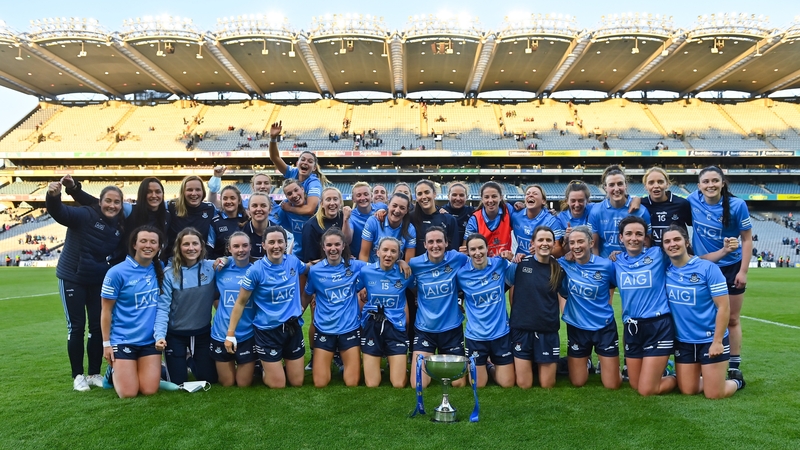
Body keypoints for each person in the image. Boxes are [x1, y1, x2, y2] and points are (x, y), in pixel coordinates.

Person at [46, 179, 125, 391]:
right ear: (100, 202)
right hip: (72, 277)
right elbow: (60, 213)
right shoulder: (86, 214)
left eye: (116, 202)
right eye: (108, 201)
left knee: (97, 327)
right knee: (77, 327)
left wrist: (75, 188)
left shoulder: (120, 225)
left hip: (97, 279)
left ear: (121, 204)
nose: (112, 205)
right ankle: (78, 375)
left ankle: (93, 373)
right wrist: (53, 196)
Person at [662, 225, 745, 398]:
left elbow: (724, 307)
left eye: (677, 239)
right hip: (684, 342)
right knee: (688, 390)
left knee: (714, 394)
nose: (672, 244)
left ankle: (736, 381)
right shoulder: (665, 269)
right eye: (667, 241)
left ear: (686, 242)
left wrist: (717, 341)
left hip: (709, 339)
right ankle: (703, 377)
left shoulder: (708, 268)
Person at [687, 166, 752, 378]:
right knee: (704, 317)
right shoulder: (692, 200)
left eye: (715, 180)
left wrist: (743, 271)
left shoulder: (737, 205)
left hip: (731, 267)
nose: (710, 185)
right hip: (704, 268)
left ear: (723, 183)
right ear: (699, 186)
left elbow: (747, 239)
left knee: (732, 318)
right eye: (706, 182)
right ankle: (702, 361)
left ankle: (734, 365)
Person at [226, 226, 310, 388]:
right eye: (271, 242)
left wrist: (327, 263)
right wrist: (230, 334)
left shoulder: (293, 262)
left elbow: (308, 268)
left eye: (280, 242)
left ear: (286, 244)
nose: (276, 246)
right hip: (267, 332)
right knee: (278, 385)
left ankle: (277, 366)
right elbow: (240, 302)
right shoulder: (255, 270)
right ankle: (266, 370)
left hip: (293, 328)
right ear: (264, 245)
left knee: (297, 382)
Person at [612, 216, 676, 396]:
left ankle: (680, 377)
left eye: (639, 234)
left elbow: (683, 257)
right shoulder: (615, 262)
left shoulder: (658, 254)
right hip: (632, 327)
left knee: (646, 390)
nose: (634, 238)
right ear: (621, 237)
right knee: (635, 385)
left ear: (645, 237)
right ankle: (664, 369)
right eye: (629, 234)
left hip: (658, 325)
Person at [100, 226, 167, 398]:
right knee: (128, 393)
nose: (148, 245)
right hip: (123, 340)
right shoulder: (116, 273)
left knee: (149, 390)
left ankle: (141, 372)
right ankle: (111, 373)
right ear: (134, 244)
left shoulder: (160, 268)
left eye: (153, 242)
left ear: (159, 247)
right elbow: (106, 310)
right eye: (143, 241)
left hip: (149, 341)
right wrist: (106, 344)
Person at [558, 226, 621, 389]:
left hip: (604, 327)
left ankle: (609, 365)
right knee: (577, 382)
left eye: (580, 241)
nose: (576, 246)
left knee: (612, 384)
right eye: (572, 243)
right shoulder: (563, 263)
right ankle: (583, 361)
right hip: (577, 327)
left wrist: (621, 255)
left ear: (591, 243)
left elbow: (620, 281)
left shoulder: (606, 266)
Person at [303, 228, 366, 387]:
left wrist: (399, 262)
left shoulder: (356, 266)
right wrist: (297, 315)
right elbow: (306, 295)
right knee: (320, 383)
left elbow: (381, 266)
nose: (333, 248)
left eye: (337, 244)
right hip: (325, 329)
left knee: (352, 382)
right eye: (329, 245)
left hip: (349, 328)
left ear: (343, 246)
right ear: (323, 247)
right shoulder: (315, 271)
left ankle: (343, 362)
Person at [155, 228, 218, 385]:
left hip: (202, 333)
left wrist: (226, 259)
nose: (191, 248)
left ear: (201, 246)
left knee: (210, 379)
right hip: (175, 335)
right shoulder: (169, 274)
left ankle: (189, 360)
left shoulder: (211, 267)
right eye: (186, 244)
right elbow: (162, 308)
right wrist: (160, 336)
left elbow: (232, 260)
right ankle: (160, 368)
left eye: (195, 244)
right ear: (179, 247)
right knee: (177, 382)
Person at [408, 226, 469, 388]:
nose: (435, 245)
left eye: (439, 241)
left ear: (446, 243)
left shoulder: (457, 258)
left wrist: (460, 300)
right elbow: (409, 283)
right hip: (425, 330)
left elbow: (475, 267)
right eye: (431, 242)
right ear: (425, 245)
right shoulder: (414, 264)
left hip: (451, 329)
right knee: (418, 384)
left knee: (458, 383)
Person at [456, 234, 516, 388]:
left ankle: (489, 366)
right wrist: (459, 303)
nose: (477, 253)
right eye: (473, 249)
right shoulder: (461, 274)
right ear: (468, 252)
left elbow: (515, 273)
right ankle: (486, 365)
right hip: (476, 336)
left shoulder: (499, 263)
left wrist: (513, 258)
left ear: (487, 248)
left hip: (501, 333)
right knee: (478, 384)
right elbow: (455, 293)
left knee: (507, 383)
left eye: (480, 248)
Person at [508, 226, 563, 389]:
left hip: (547, 331)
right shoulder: (520, 264)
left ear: (553, 244)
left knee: (547, 384)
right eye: (540, 240)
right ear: (532, 243)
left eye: (548, 240)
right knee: (524, 384)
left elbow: (565, 294)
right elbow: (502, 286)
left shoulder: (559, 269)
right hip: (522, 330)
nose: (544, 243)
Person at [356, 237, 414, 388]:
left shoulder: (404, 273)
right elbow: (352, 289)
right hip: (372, 325)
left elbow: (418, 290)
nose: (388, 254)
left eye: (393, 251)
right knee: (372, 384)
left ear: (398, 255)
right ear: (377, 252)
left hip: (395, 326)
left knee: (398, 384)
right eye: (385, 250)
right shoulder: (366, 271)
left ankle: (396, 364)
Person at [62, 175, 171, 256]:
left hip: (151, 268)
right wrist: (74, 189)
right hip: (124, 266)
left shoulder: (167, 214)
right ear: (142, 194)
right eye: (149, 192)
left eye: (158, 192)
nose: (154, 195)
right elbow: (95, 203)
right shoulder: (129, 210)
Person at [210, 232, 256, 387]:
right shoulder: (220, 269)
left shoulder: (257, 270)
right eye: (236, 246)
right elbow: (215, 295)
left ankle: (260, 367)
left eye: (244, 245)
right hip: (221, 332)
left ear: (250, 247)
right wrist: (225, 259)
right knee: (227, 383)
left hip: (247, 333)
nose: (241, 250)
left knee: (244, 383)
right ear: (229, 249)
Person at [589, 165, 651, 258]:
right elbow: (594, 247)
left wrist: (627, 259)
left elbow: (647, 244)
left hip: (632, 262)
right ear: (605, 187)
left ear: (626, 185)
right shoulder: (596, 211)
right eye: (611, 185)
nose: (616, 189)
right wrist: (599, 264)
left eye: (620, 184)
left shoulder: (641, 211)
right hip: (606, 263)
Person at [268, 121, 326, 216]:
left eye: (310, 161)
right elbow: (275, 158)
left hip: (310, 220)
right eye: (302, 160)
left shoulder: (314, 183)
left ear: (314, 168)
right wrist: (273, 138)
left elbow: (309, 209)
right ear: (297, 163)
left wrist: (289, 208)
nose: (305, 162)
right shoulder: (293, 172)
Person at [164, 175, 217, 261]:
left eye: (198, 190)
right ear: (183, 192)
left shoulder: (210, 209)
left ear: (203, 192)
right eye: (189, 190)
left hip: (200, 261)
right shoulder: (170, 206)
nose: (194, 193)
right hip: (173, 261)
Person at [640, 167, 692, 246]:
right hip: (652, 253)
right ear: (645, 186)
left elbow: (695, 226)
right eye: (651, 183)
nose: (656, 186)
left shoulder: (682, 204)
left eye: (660, 182)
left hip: (676, 251)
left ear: (667, 184)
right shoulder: (641, 205)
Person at [359, 193, 416, 263]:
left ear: (406, 211)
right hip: (373, 266)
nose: (397, 210)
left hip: (395, 268)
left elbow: (408, 262)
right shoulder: (373, 222)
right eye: (394, 206)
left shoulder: (410, 229)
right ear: (388, 205)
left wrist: (402, 264)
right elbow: (364, 255)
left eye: (402, 208)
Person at [511, 185, 564, 260]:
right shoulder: (515, 216)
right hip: (520, 262)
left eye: (535, 193)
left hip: (542, 263)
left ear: (543, 201)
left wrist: (541, 249)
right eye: (528, 194)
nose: (530, 195)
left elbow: (558, 251)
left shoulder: (551, 221)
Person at [302, 187, 351, 262]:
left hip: (342, 264)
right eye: (328, 199)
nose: (332, 203)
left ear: (340, 202)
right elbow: (310, 260)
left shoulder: (344, 216)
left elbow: (346, 242)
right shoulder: (310, 226)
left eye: (335, 199)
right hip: (322, 265)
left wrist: (345, 220)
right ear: (322, 204)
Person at [410, 180, 459, 254]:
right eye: (419, 194)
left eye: (427, 192)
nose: (424, 196)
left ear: (434, 194)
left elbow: (453, 251)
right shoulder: (410, 219)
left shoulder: (449, 219)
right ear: (416, 198)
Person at [464, 181, 513, 257]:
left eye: (494, 196)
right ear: (482, 199)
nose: (490, 200)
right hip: (484, 263)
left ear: (501, 197)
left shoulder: (508, 210)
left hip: (505, 261)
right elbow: (466, 247)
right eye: (486, 197)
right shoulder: (474, 219)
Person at [275, 179, 315, 258]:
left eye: (296, 190)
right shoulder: (283, 209)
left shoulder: (315, 206)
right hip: (298, 255)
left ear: (302, 189)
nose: (294, 195)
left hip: (317, 255)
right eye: (289, 194)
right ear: (286, 197)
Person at [210, 185, 247, 258]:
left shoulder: (247, 219)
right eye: (225, 198)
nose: (229, 201)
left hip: (244, 263)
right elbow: (209, 249)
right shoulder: (215, 222)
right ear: (221, 200)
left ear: (239, 200)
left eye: (232, 198)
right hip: (221, 263)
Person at [239, 192, 276, 259]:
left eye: (263, 206)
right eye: (254, 206)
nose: (259, 209)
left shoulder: (278, 231)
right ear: (249, 210)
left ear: (270, 209)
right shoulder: (241, 231)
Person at [440, 182, 475, 248]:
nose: (458, 198)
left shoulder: (472, 212)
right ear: (448, 196)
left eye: (461, 195)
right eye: (454, 195)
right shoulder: (441, 212)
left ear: (467, 197)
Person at [349, 182, 379, 257]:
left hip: (379, 259)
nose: (363, 198)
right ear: (353, 199)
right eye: (359, 195)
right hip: (358, 259)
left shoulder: (381, 208)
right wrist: (345, 220)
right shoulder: (351, 216)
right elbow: (347, 240)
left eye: (366, 194)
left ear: (371, 196)